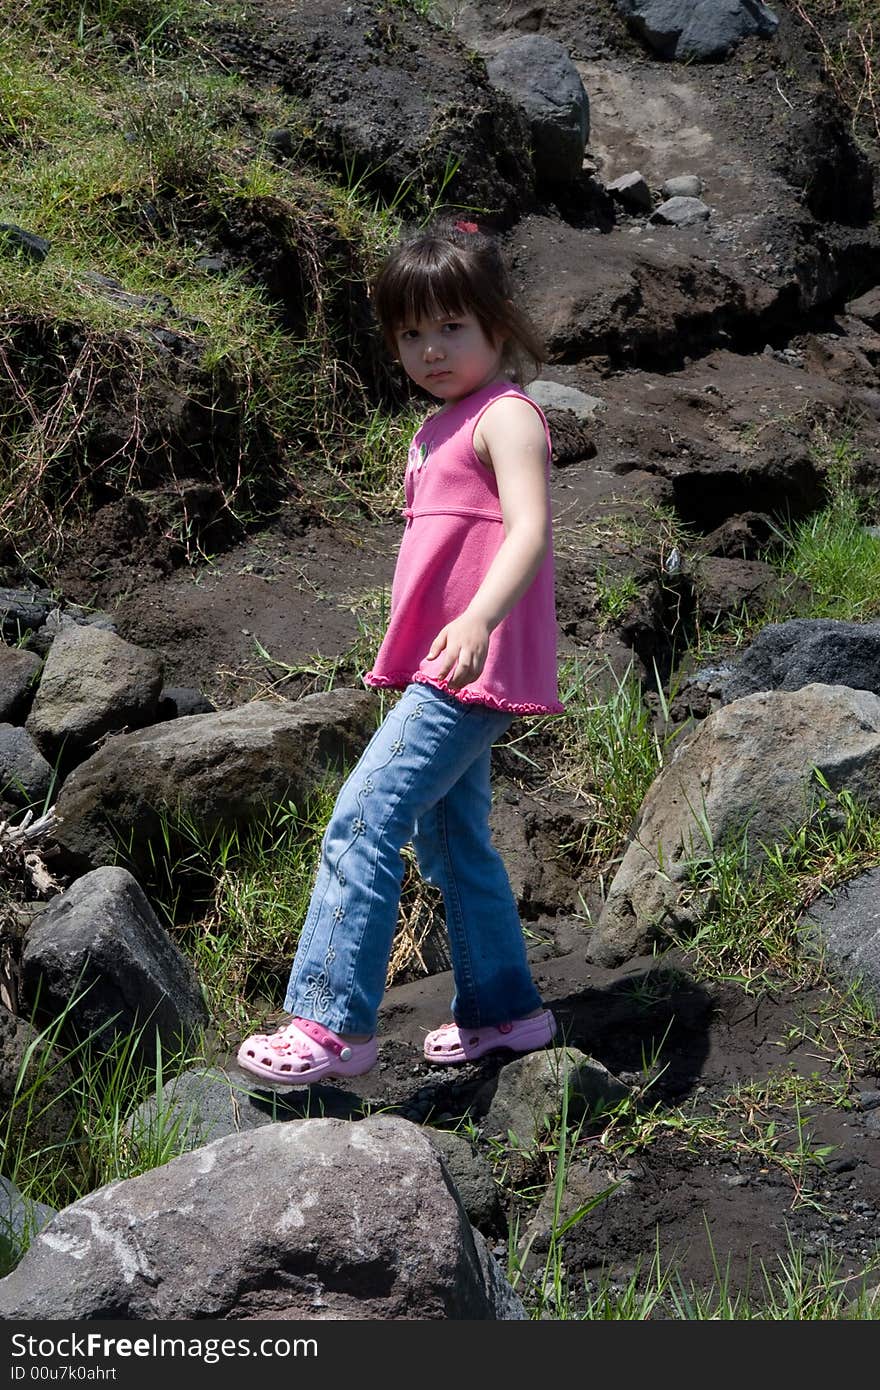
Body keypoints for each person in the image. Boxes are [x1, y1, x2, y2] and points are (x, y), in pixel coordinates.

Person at [236, 217, 564, 1085]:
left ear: (498, 322)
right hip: (445, 664)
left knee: (365, 815)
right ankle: (505, 1013)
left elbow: (529, 530)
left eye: (451, 326)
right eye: (411, 333)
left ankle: (331, 1025)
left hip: (469, 666)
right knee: (451, 837)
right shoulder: (436, 429)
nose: (430, 349)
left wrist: (479, 619)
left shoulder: (507, 417)